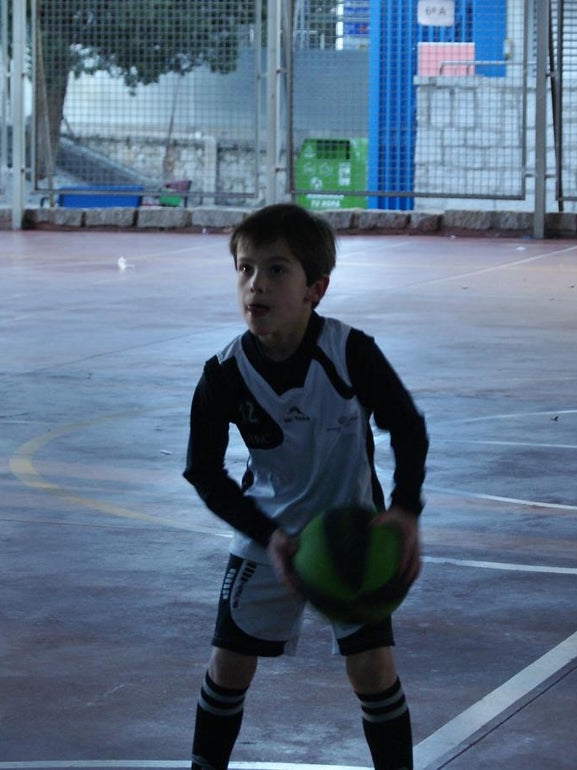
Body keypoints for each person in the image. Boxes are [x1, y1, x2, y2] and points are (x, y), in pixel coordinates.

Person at [183, 203, 429, 770]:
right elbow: (203, 470)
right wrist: (266, 535)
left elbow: (407, 426)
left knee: (372, 669)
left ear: (315, 288)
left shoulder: (350, 352)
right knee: (228, 666)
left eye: (275, 270)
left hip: (351, 536)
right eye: (245, 269)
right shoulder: (222, 374)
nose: (255, 285)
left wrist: (405, 509)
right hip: (269, 534)